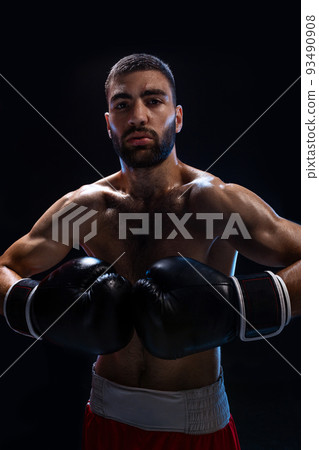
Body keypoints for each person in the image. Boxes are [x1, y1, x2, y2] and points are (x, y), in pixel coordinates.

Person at [0, 54, 300, 450]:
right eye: (122, 104)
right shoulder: (87, 208)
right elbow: (6, 267)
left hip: (196, 423)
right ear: (109, 123)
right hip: (107, 413)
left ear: (176, 117)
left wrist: (236, 308)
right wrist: (33, 306)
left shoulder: (214, 203)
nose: (138, 116)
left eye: (153, 100)